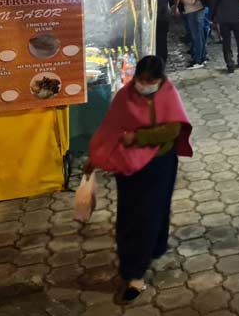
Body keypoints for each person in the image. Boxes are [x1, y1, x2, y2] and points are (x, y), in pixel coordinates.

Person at [86, 55, 192, 304]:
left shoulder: (168, 94)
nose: (144, 85)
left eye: (150, 81)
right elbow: (109, 128)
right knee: (132, 216)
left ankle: (149, 255)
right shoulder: (125, 95)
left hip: (160, 163)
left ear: (160, 79)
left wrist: (138, 138)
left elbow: (173, 129)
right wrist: (95, 157)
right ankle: (133, 271)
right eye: (141, 80)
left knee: (155, 211)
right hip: (129, 166)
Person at [181, 0, 207, 69]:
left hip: (194, 12)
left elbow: (190, 1)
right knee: (199, 36)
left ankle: (198, 60)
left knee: (197, 37)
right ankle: (202, 57)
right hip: (197, 11)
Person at [155, 0, 171, 64]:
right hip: (164, 17)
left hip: (157, 18)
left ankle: (159, 61)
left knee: (158, 41)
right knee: (162, 41)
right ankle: (163, 60)